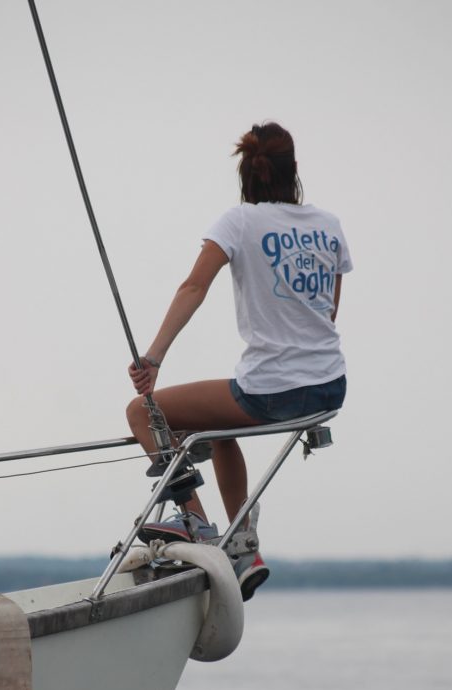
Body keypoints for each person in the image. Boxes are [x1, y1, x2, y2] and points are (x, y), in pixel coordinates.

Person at [127, 122, 352, 600]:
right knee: (219, 424)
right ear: (294, 174)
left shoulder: (239, 222)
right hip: (330, 385)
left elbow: (194, 287)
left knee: (142, 413)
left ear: (246, 176)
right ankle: (243, 546)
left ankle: (198, 528)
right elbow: (329, 311)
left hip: (270, 392)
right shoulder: (328, 225)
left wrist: (153, 357)